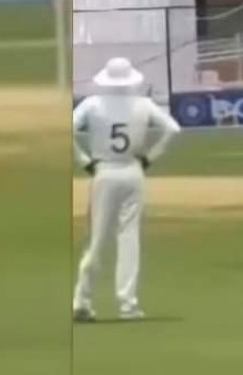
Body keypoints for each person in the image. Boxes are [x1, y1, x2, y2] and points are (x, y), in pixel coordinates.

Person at [72, 57, 181, 322]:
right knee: (129, 238)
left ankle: (82, 300)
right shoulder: (143, 105)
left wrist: (85, 161)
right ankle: (128, 304)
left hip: (104, 172)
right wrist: (150, 157)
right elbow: (173, 129)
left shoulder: (92, 104)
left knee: (97, 240)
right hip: (133, 171)